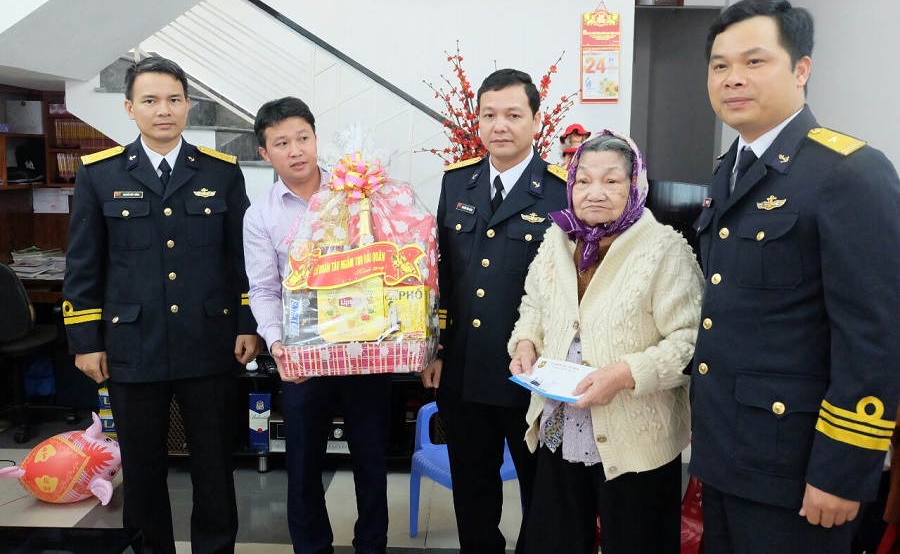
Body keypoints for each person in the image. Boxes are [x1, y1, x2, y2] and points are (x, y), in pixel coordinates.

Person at [690, 0, 900, 553]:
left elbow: (875, 337)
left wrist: (843, 469)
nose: (733, 78)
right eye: (719, 65)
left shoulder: (849, 173)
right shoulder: (729, 170)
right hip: (728, 454)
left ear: (801, 69)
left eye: (754, 61)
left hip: (800, 469)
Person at [63, 56, 259, 554]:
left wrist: (248, 324)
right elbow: (83, 265)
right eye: (150, 100)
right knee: (143, 468)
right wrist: (85, 340)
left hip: (208, 342)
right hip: (133, 346)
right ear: (130, 108)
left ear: (188, 105)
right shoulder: (99, 174)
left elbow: (242, 259)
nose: (163, 110)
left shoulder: (221, 172)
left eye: (173, 99)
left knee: (214, 464)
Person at [507, 131, 703, 553]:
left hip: (636, 439)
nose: (595, 193)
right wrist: (524, 344)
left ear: (635, 185)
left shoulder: (665, 249)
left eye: (611, 181)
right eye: (583, 180)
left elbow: (690, 341)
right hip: (560, 427)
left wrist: (626, 373)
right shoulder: (557, 240)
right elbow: (534, 306)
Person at [421, 68, 568, 553]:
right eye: (489, 115)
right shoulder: (456, 183)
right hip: (463, 370)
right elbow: (442, 277)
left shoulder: (561, 190)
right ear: (478, 120)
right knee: (473, 493)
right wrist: (436, 350)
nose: (499, 125)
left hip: (532, 374)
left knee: (541, 492)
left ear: (536, 121)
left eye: (513, 115)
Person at [243, 96, 392, 554]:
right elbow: (264, 289)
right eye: (281, 143)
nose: (296, 150)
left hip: (364, 347)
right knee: (303, 462)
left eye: (303, 138)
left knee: (371, 456)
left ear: (315, 139)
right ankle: (311, 547)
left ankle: (372, 545)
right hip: (303, 353)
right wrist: (277, 344)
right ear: (265, 153)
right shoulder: (260, 214)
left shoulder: (358, 192)